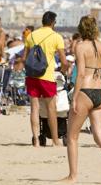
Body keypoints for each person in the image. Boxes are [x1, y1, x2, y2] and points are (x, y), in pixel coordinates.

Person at [61, 15, 101, 184]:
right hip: (99, 93)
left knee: (72, 136)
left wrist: (74, 97)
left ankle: (73, 176)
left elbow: (81, 73)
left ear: (81, 29)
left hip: (85, 91)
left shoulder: (80, 46)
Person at [23, 11, 68, 147]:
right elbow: (64, 61)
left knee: (35, 108)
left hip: (32, 76)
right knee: (51, 109)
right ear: (53, 22)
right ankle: (55, 140)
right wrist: (63, 71)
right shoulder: (56, 37)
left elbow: (25, 58)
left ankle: (36, 139)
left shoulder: (31, 35)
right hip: (47, 76)